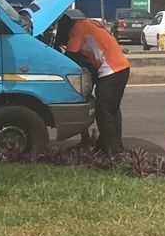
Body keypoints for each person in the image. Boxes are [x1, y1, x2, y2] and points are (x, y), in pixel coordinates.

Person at [55, 12, 130, 155]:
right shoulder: (88, 23)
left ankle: (114, 152)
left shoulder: (78, 29)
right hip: (121, 68)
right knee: (112, 110)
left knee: (104, 113)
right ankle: (108, 146)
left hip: (111, 71)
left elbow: (69, 58)